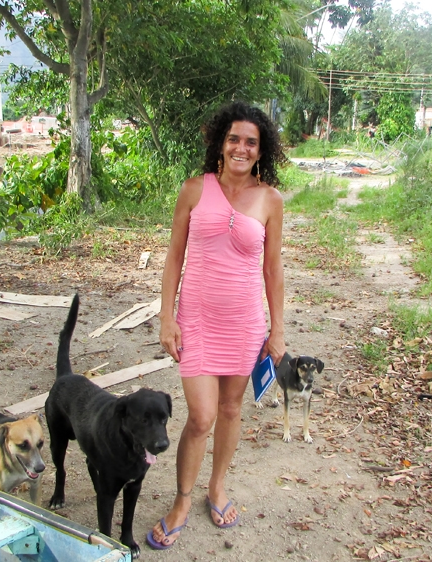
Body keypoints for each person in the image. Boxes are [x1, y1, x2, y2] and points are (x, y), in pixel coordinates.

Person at [147, 102, 287, 550]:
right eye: (234, 139)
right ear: (220, 144)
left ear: (261, 150)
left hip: (245, 324)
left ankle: (217, 488)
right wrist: (166, 316)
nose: (241, 148)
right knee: (202, 415)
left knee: (230, 411)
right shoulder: (194, 189)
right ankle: (183, 500)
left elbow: (273, 270)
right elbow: (173, 258)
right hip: (198, 321)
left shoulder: (270, 200)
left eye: (251, 141)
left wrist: (277, 329)